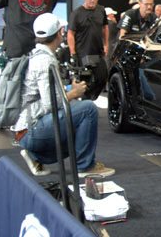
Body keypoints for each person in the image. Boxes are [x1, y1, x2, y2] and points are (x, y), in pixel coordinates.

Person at [15, 13, 115, 178]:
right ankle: (85, 166)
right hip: (32, 129)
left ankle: (36, 156)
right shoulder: (45, 61)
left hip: (26, 129)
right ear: (59, 33)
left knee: (80, 123)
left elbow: (46, 92)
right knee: (88, 109)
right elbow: (49, 104)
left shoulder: (38, 55)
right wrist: (73, 93)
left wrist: (69, 87)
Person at [67, 0, 108, 100]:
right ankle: (85, 101)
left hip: (98, 51)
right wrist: (73, 53)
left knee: (102, 77)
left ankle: (90, 97)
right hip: (83, 52)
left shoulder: (101, 10)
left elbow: (105, 28)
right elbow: (70, 34)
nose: (92, 0)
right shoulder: (76, 13)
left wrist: (106, 45)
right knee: (85, 81)